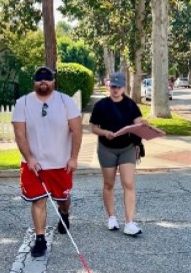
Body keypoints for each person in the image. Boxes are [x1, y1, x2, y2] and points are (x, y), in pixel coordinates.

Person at [11, 66, 82, 257]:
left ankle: (64, 214)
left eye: (47, 79)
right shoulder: (23, 103)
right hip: (35, 165)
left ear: (53, 81)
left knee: (63, 199)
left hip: (61, 163)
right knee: (38, 200)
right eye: (39, 79)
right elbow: (19, 134)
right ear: (34, 82)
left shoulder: (65, 101)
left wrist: (74, 158)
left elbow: (77, 130)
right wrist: (30, 158)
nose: (43, 82)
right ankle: (40, 240)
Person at [89, 71, 149, 236]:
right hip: (106, 148)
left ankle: (129, 222)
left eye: (119, 87)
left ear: (124, 87)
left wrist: (144, 125)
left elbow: (137, 125)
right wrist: (105, 132)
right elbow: (93, 128)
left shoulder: (130, 105)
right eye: (113, 86)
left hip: (127, 148)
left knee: (128, 184)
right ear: (109, 86)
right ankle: (112, 218)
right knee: (109, 184)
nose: (115, 90)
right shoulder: (101, 105)